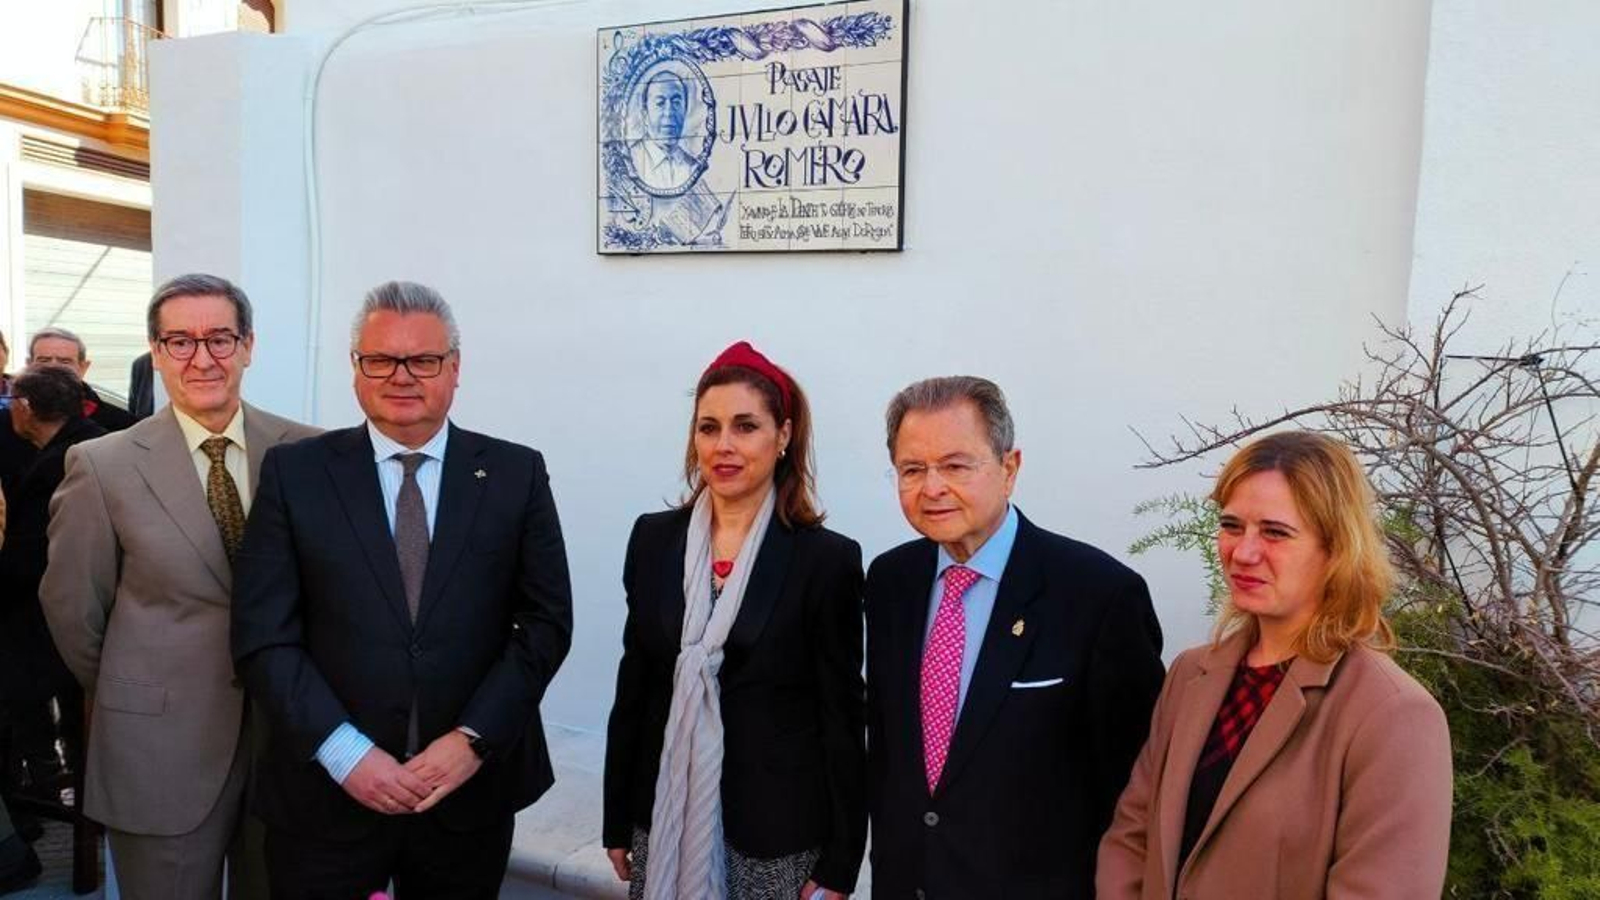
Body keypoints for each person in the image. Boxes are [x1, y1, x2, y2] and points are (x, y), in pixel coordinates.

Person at [232, 280, 573, 898]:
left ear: (455, 368)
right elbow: (264, 636)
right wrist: (344, 753)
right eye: (381, 359)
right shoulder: (296, 474)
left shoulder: (515, 473)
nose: (402, 376)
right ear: (357, 369)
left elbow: (545, 624)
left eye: (423, 359)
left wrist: (473, 741)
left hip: (467, 795)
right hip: (325, 795)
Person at [39, 273, 318, 900]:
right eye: (181, 341)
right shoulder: (101, 465)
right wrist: (139, 689)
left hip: (286, 745)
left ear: (248, 346)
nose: (203, 358)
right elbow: (74, 613)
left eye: (220, 338)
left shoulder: (308, 451)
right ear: (156, 352)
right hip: (158, 747)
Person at [1096, 431, 1453, 900]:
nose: (1242, 552)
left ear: (1336, 550)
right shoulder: (1190, 676)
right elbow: (1131, 837)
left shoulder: (1394, 715)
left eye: (1275, 532)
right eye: (1231, 525)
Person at [865, 376, 1165, 898]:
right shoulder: (889, 582)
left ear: (1009, 468)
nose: (932, 487)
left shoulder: (1098, 596)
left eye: (956, 465)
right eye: (913, 469)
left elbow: (1135, 792)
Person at [603, 341, 867, 900]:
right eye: (709, 427)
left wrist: (843, 858)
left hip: (776, 833)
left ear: (785, 436)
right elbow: (636, 687)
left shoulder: (825, 561)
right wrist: (616, 816)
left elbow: (842, 717)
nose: (723, 446)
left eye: (746, 427)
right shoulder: (653, 540)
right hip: (665, 814)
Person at [0, 366, 106, 809]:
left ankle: (27, 813)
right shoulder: (94, 443)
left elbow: (34, 560)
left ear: (24, 409)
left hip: (57, 624)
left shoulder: (63, 462)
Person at [26, 326, 136, 432]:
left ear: (83, 367)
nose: (53, 368)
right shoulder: (13, 419)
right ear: (29, 365)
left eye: (65, 361)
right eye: (44, 360)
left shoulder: (122, 425)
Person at [628, 69, 702, 192]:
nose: (669, 113)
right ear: (645, 115)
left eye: (676, 103)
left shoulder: (693, 167)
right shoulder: (630, 161)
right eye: (660, 103)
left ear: (685, 111)